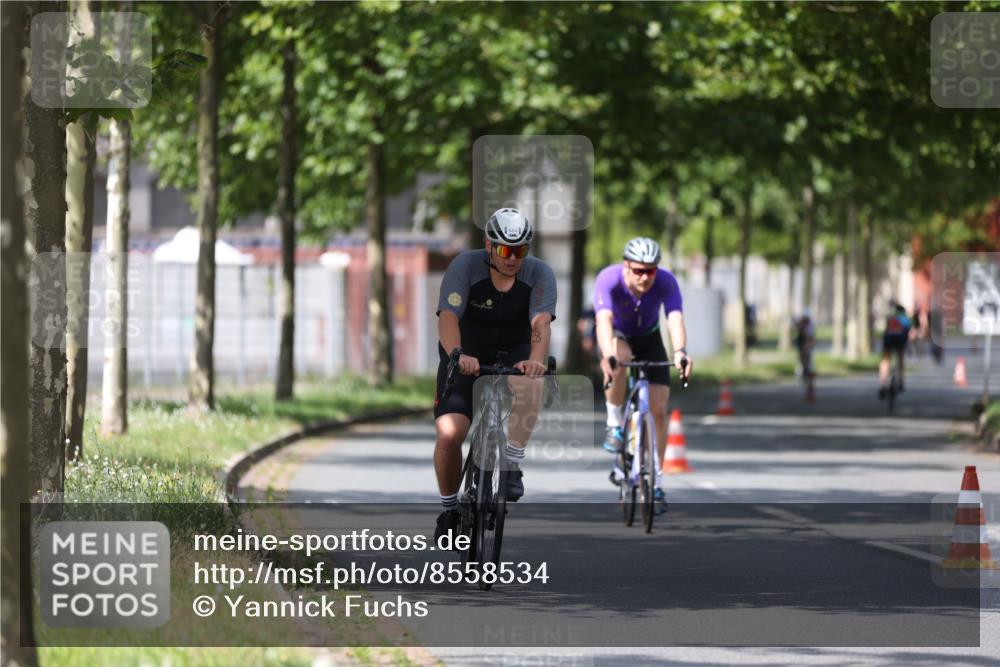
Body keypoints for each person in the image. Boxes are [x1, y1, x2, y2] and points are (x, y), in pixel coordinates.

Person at [432, 208, 557, 542]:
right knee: (449, 433)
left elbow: (540, 323)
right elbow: (447, 317)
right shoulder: (465, 267)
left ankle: (512, 463)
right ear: (489, 246)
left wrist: (535, 360)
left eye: (520, 251)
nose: (513, 258)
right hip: (466, 352)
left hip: (515, 348)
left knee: (532, 384)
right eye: (505, 250)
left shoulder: (540, 273)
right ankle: (449, 508)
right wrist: (457, 355)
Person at [593, 237, 692, 513]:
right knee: (620, 358)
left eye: (650, 270)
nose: (645, 277)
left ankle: (656, 483)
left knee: (659, 410)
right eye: (638, 270)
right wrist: (606, 354)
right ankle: (614, 424)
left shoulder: (666, 281)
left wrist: (681, 351)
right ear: (626, 267)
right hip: (619, 336)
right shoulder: (609, 279)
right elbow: (603, 321)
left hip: (650, 338)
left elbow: (674, 318)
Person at [879, 301, 912, 397]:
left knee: (885, 359)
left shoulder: (890, 318)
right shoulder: (906, 319)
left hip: (889, 338)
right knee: (900, 357)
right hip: (900, 339)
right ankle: (901, 381)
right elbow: (909, 334)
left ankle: (882, 384)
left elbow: (886, 331)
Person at [794, 308, 817, 402]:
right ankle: (808, 387)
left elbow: (810, 338)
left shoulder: (809, 326)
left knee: (808, 367)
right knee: (803, 366)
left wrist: (807, 347)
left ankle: (810, 390)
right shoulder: (802, 325)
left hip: (806, 349)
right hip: (802, 348)